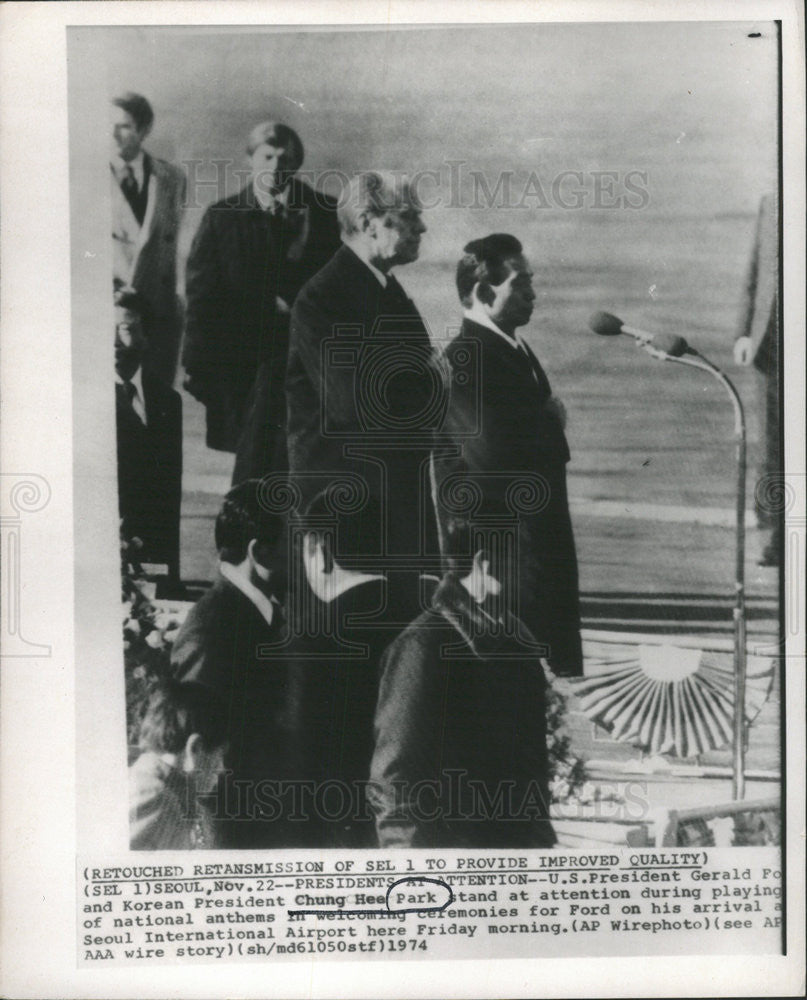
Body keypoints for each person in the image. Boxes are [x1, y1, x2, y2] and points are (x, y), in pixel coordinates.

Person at [433, 233, 583, 676]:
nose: (533, 294)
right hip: (503, 562)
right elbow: (495, 462)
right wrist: (551, 424)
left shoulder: (510, 347)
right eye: (520, 285)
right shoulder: (467, 359)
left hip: (532, 552)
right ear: (482, 292)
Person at [368, 517, 556, 848]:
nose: (536, 568)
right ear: (485, 563)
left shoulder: (516, 648)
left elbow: (531, 783)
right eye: (525, 556)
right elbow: (397, 782)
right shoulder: (424, 647)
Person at [285, 170, 442, 560]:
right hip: (348, 506)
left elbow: (421, 381)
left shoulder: (386, 290)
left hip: (393, 495)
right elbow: (353, 405)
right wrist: (427, 384)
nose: (421, 226)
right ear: (367, 223)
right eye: (408, 215)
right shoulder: (322, 297)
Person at [182, 122, 341, 471]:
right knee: (253, 457)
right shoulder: (222, 218)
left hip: (308, 357)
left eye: (284, 159)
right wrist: (195, 364)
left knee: (306, 455)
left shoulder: (326, 214)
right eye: (266, 157)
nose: (275, 167)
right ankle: (248, 523)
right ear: (250, 160)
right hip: (244, 359)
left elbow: (343, 287)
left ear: (297, 163)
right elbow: (201, 296)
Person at [280, 490, 428, 848]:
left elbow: (297, 765)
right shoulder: (426, 621)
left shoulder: (304, 641)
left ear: (319, 551)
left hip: (340, 840)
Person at [171, 480, 288, 847]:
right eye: (298, 544)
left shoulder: (255, 609)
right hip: (236, 837)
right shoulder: (211, 631)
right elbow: (200, 767)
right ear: (261, 554)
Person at [111, 92, 186, 385]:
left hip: (159, 310)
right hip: (110, 308)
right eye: (109, 125)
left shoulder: (172, 177)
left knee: (158, 404)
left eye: (125, 126)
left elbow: (167, 247)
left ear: (144, 130)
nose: (114, 134)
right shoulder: (84, 177)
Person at [114, 285, 182, 584]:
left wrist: (170, 573)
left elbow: (169, 496)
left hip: (152, 564)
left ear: (147, 336)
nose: (114, 341)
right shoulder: (84, 400)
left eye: (126, 329)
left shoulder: (167, 402)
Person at [734, 193, 781, 567]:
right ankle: (777, 533)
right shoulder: (771, 201)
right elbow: (755, 273)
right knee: (773, 444)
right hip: (772, 346)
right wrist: (744, 332)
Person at [129, 679, 228, 850]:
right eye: (219, 757)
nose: (222, 769)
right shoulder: (150, 796)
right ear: (194, 749)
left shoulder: (188, 802)